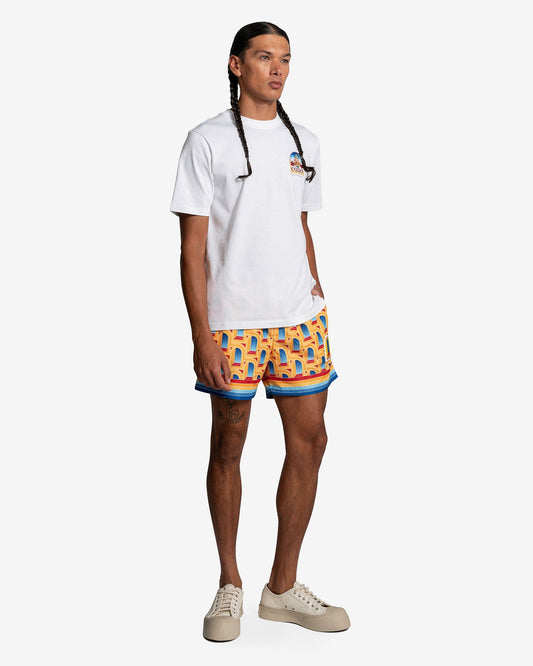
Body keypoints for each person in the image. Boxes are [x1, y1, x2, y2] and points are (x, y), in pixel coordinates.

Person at [170, 21, 350, 642]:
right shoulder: (206, 140)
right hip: (233, 324)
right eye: (265, 57)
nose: (277, 69)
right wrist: (203, 335)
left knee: (312, 440)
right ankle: (230, 584)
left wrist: (316, 289)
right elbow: (191, 248)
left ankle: (282, 587)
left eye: (286, 59)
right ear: (236, 64)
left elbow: (299, 224)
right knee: (230, 443)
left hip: (299, 320)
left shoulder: (306, 140)